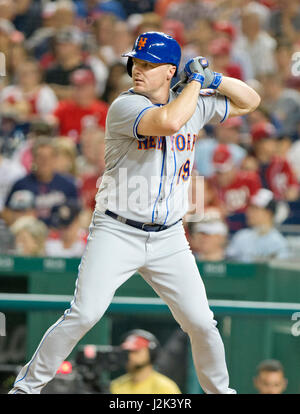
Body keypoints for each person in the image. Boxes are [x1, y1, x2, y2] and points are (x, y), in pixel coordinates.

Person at [9, 31, 260, 395]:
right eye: (135, 63)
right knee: (84, 314)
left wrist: (213, 80)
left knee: (202, 323)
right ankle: (27, 389)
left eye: (147, 64)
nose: (137, 70)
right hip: (117, 231)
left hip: (170, 237)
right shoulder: (125, 106)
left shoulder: (194, 102)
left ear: (170, 71)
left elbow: (251, 101)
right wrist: (193, 85)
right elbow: (170, 121)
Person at [2, 137, 79, 227]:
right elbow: (6, 213)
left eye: (49, 157)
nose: (45, 161)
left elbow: (76, 213)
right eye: (40, 157)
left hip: (59, 234)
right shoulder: (21, 184)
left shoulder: (68, 185)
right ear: (33, 159)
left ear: (55, 159)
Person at [226, 188, 290, 262]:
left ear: (268, 213)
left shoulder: (279, 243)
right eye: (249, 208)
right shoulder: (241, 236)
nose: (249, 212)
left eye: (255, 208)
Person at [110, 329, 181, 394]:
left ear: (151, 354)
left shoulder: (165, 388)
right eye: (127, 352)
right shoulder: (115, 386)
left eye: (135, 351)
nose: (130, 356)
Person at [49, 68, 108, 144]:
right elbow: (51, 123)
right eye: (75, 86)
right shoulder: (63, 107)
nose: (79, 91)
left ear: (93, 87)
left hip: (91, 151)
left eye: (83, 87)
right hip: (68, 151)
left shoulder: (103, 110)